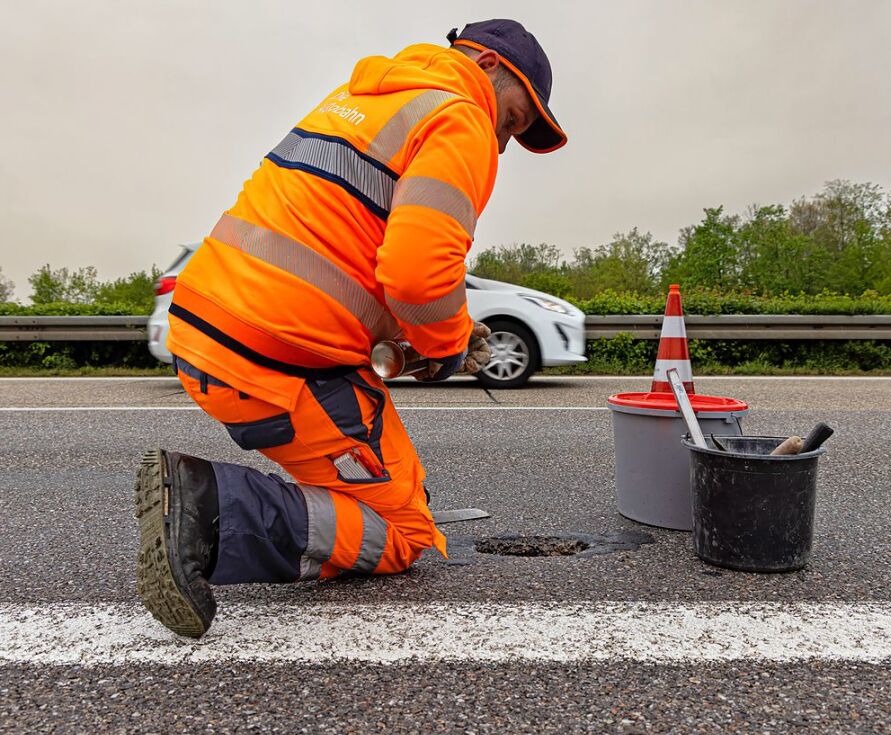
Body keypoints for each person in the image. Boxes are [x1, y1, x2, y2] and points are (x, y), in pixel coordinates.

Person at [134, 19, 567, 638]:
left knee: (376, 485)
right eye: (514, 122)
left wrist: (400, 333)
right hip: (282, 356)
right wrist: (444, 350)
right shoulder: (462, 114)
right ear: (491, 67)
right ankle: (210, 509)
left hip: (209, 328)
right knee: (404, 533)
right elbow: (418, 276)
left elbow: (342, 244)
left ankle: (224, 508)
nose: (501, 145)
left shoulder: (364, 97)